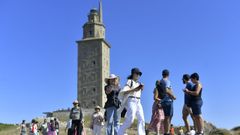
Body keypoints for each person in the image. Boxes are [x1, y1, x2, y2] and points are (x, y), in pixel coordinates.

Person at [118, 68, 145, 135]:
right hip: (131, 100)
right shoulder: (130, 81)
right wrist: (135, 89)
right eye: (137, 73)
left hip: (138, 101)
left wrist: (141, 89)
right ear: (133, 74)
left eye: (139, 74)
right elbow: (124, 91)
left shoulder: (139, 83)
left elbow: (138, 93)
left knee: (141, 118)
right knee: (131, 118)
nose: (138, 75)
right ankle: (120, 132)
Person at [158, 69, 176, 135]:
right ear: (168, 74)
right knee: (169, 117)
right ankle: (167, 132)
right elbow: (166, 90)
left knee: (166, 117)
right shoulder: (167, 81)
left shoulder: (160, 81)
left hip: (163, 101)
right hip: (168, 100)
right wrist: (173, 96)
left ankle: (166, 132)